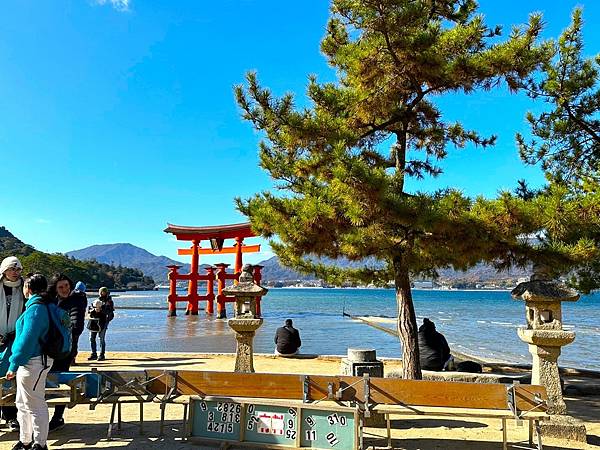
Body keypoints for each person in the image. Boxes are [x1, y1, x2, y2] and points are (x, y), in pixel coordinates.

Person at [7, 273, 53, 450]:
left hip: (33, 361)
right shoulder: (43, 305)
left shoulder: (36, 309)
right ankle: (26, 440)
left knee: (34, 404)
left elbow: (26, 340)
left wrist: (13, 364)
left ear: (28, 288)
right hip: (37, 361)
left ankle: (39, 444)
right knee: (23, 402)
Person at [46, 274, 86, 432]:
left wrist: (53, 331)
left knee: (60, 380)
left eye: (67, 286)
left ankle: (58, 417)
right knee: (47, 381)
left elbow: (77, 327)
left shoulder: (77, 301)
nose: (65, 290)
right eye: (61, 287)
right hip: (48, 349)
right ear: (55, 288)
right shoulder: (51, 301)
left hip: (65, 350)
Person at [0, 256, 27, 432]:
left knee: (10, 374)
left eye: (18, 270)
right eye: (12, 269)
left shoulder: (25, 288)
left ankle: (11, 415)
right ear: (4, 270)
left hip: (14, 338)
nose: (15, 273)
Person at [89, 287, 113, 361]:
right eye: (101, 292)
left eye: (103, 292)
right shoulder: (97, 300)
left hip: (103, 321)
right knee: (91, 338)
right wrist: (93, 310)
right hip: (94, 321)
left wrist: (101, 310)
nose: (102, 293)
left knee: (101, 338)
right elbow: (89, 310)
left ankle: (102, 355)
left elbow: (110, 312)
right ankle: (94, 354)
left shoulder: (109, 301)